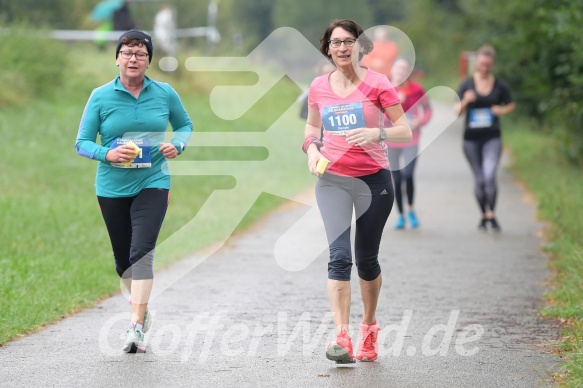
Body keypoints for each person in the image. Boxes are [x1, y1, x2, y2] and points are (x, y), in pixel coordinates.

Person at [75, 30, 193, 353]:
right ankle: (140, 309)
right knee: (123, 262)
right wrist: (107, 154)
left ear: (148, 61)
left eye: (140, 54)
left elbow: (185, 125)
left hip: (153, 181)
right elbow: (81, 142)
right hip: (112, 186)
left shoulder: (165, 93)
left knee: (142, 252)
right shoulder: (100, 96)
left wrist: (177, 144)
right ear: (117, 59)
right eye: (127, 53)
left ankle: (136, 325)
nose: (133, 59)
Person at [303, 19, 411, 363]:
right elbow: (311, 128)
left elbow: (404, 131)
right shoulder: (319, 86)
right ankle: (342, 337)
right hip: (332, 179)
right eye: (336, 42)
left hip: (373, 181)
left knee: (366, 259)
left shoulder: (378, 83)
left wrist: (375, 134)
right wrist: (312, 149)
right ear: (327, 48)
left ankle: (368, 326)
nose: (343, 48)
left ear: (361, 47)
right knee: (339, 257)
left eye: (349, 41)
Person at [455, 44, 515, 231]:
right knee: (480, 179)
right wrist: (465, 101)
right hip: (470, 139)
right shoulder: (466, 84)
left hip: (492, 137)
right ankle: (483, 215)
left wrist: (501, 110)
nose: (484, 67)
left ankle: (493, 214)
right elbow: (456, 112)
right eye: (481, 64)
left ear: (492, 65)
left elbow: (511, 104)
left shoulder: (500, 85)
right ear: (476, 63)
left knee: (489, 176)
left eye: (488, 65)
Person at [386, 58, 432, 229]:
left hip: (411, 138)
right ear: (392, 70)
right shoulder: (385, 89)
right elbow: (376, 115)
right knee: (396, 179)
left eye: (405, 69)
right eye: (398, 68)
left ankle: (411, 208)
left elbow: (428, 110)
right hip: (391, 139)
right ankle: (400, 215)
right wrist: (396, 101)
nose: (401, 71)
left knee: (408, 174)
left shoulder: (417, 89)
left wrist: (420, 121)